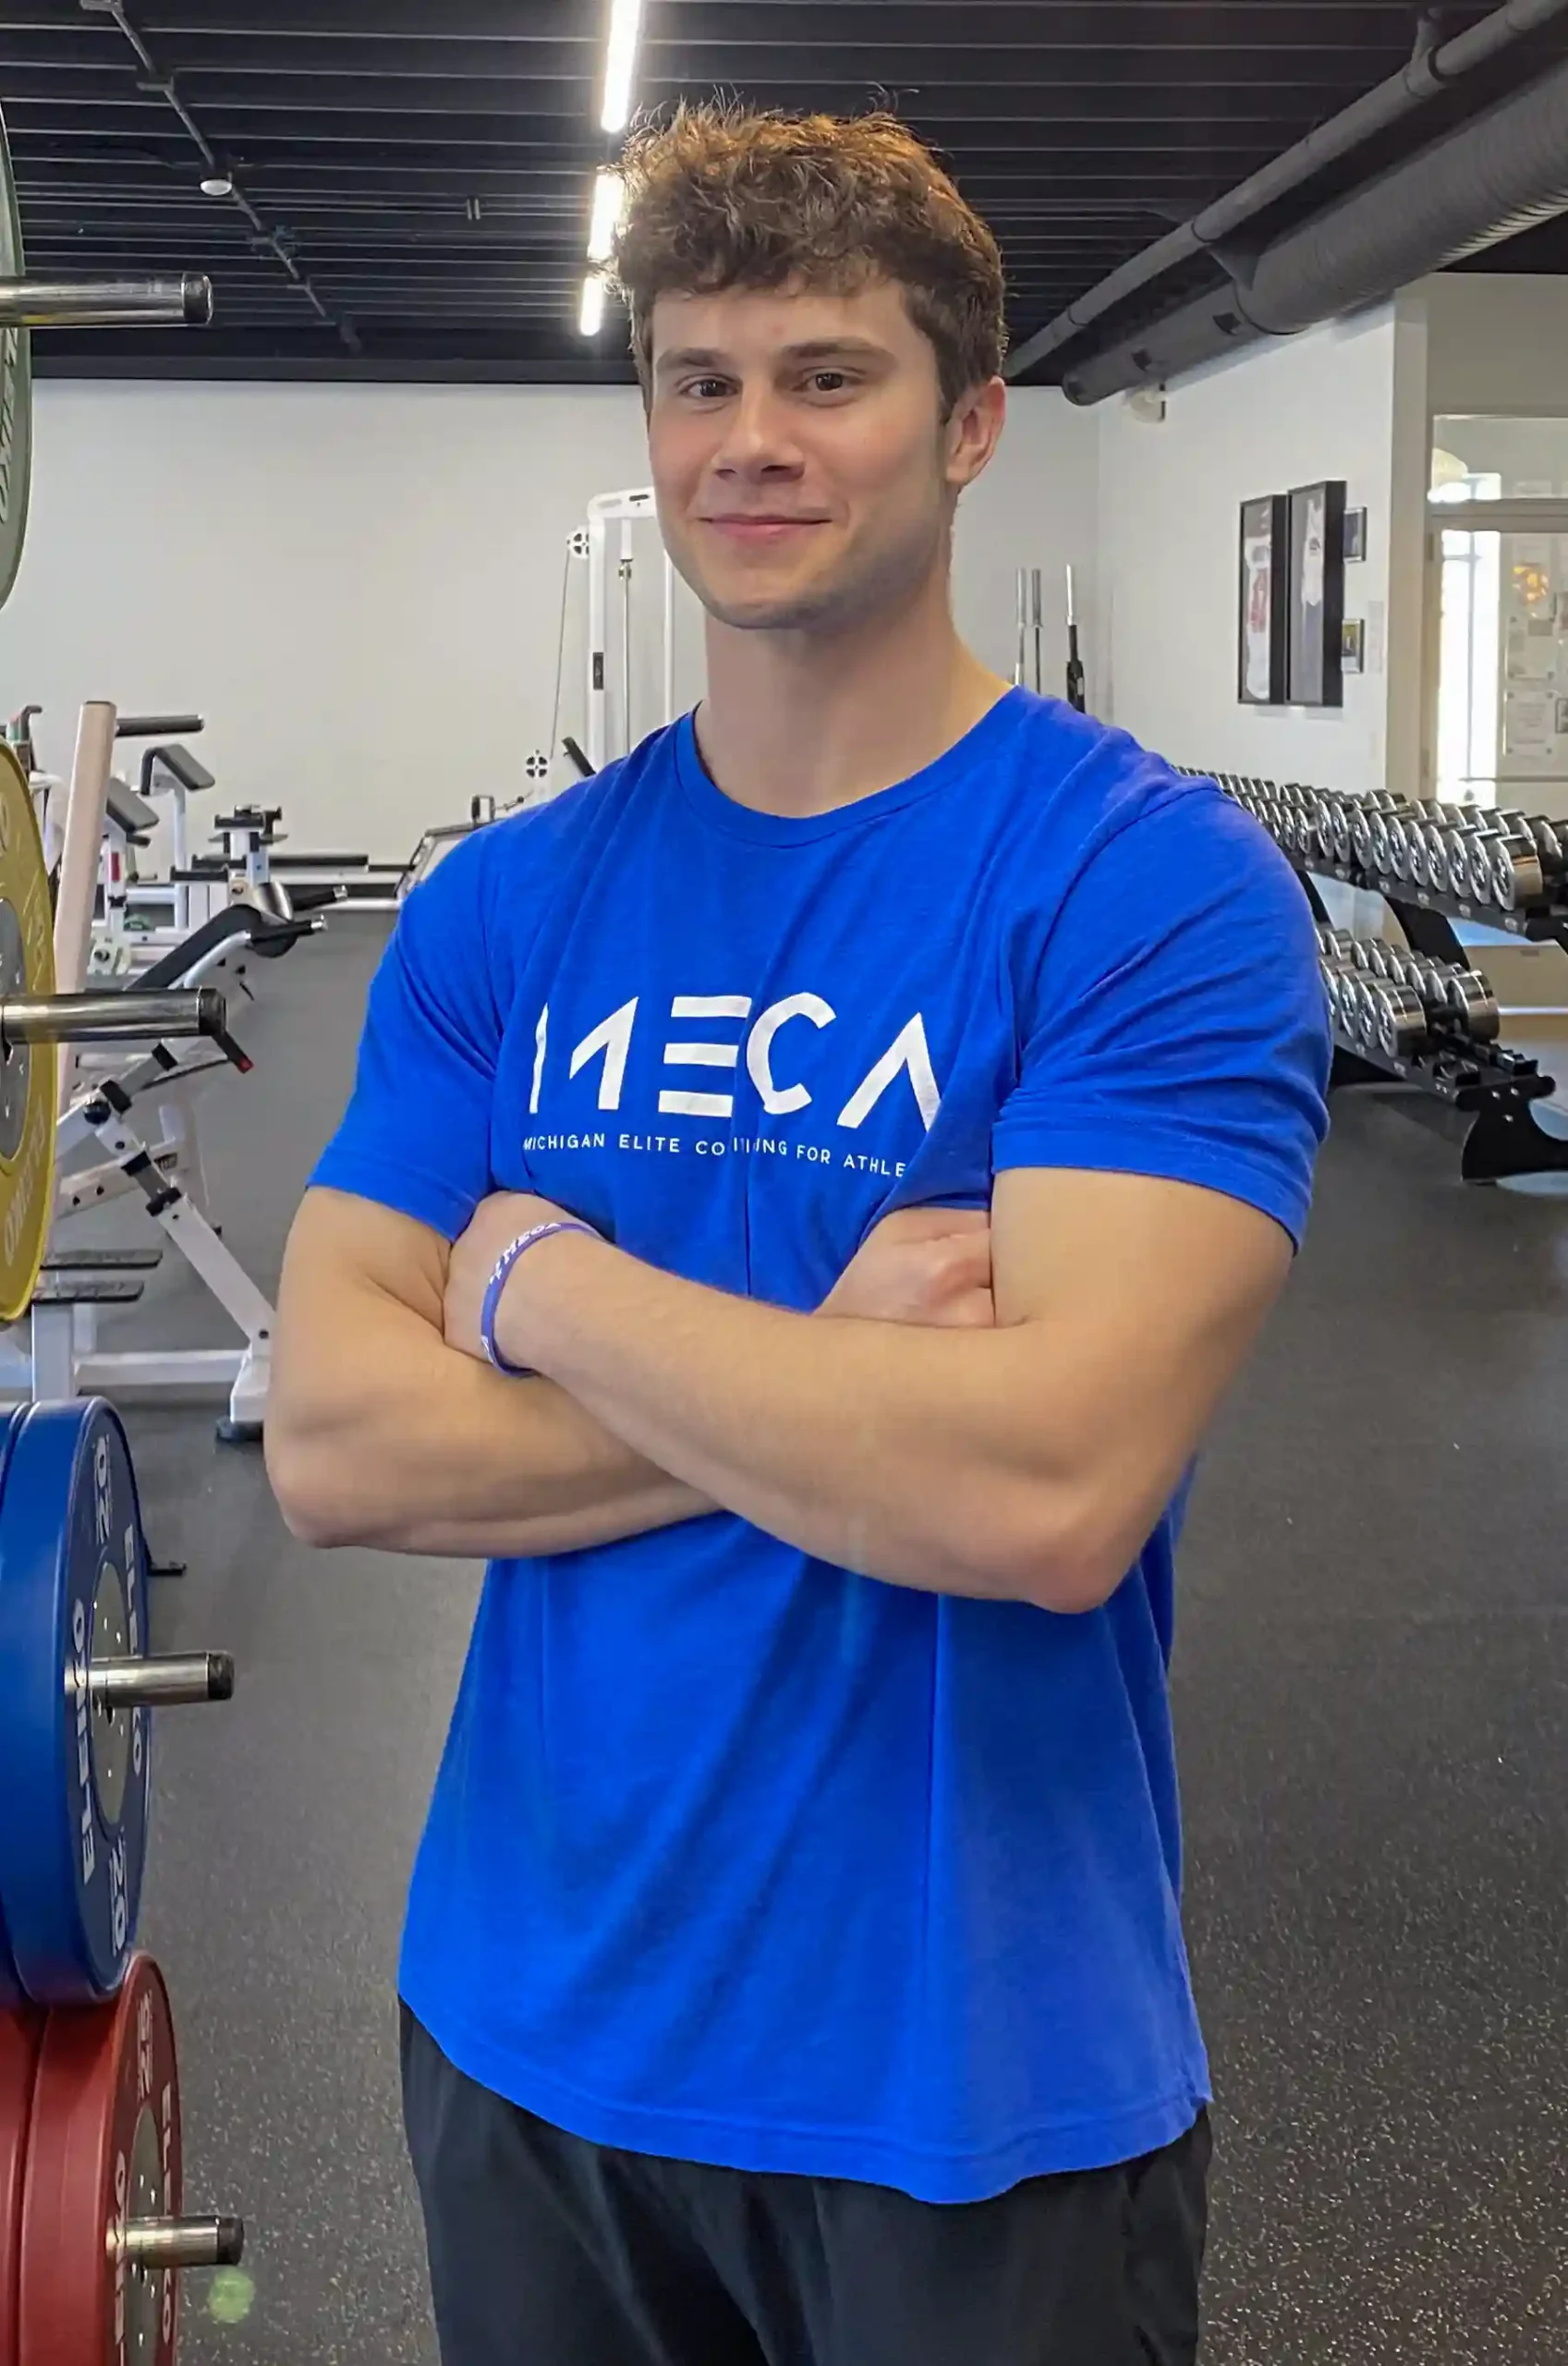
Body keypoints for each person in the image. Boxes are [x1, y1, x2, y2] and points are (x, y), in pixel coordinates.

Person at [269, 104, 1331, 2366]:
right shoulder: (504, 906)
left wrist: (537, 1287)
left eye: (823, 378)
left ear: (965, 426)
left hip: (967, 2078)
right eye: (697, 378)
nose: (747, 442)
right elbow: (340, 1447)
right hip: (524, 2026)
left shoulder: (1143, 890)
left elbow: (1040, 1487)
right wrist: (834, 1359)